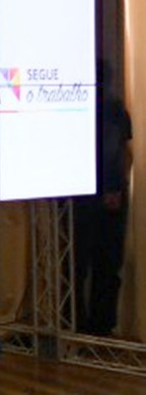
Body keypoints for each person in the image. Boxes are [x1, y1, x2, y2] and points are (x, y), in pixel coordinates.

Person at [74, 64, 133, 335]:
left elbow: (116, 148)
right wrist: (115, 187)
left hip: (83, 194)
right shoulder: (114, 107)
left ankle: (76, 323)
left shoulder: (89, 106)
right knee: (107, 264)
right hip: (108, 194)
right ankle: (100, 326)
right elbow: (121, 150)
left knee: (76, 265)